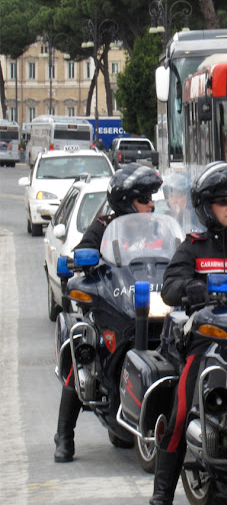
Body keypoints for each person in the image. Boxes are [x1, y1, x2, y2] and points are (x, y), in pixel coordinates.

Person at [142, 161, 227, 505]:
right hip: (205, 342)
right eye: (223, 201)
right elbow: (170, 289)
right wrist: (197, 290)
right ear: (208, 207)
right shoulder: (193, 247)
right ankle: (161, 504)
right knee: (180, 412)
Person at [53, 163, 162, 462]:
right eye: (145, 199)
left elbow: (174, 258)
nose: (151, 204)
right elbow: (82, 255)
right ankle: (64, 434)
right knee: (83, 352)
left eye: (152, 198)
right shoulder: (102, 227)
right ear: (127, 202)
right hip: (114, 304)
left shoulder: (158, 228)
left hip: (150, 305)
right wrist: (84, 263)